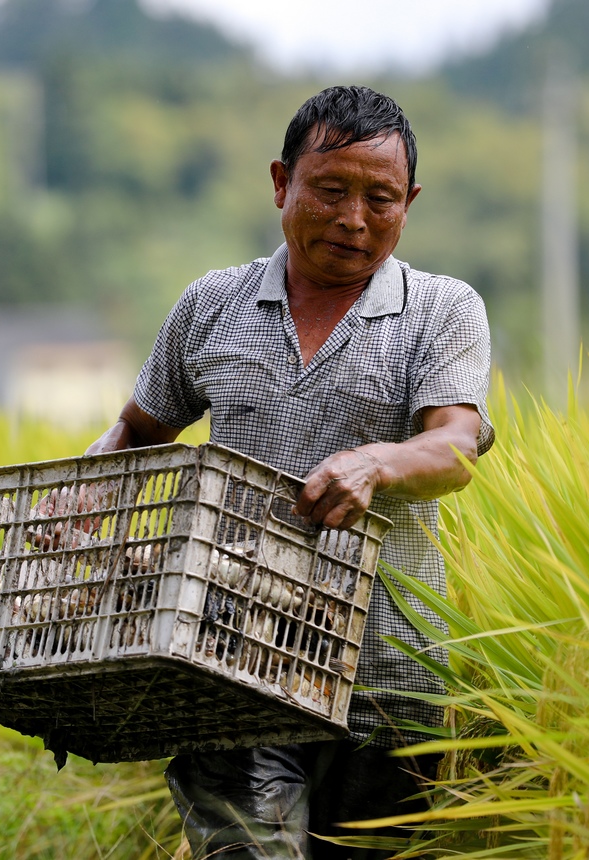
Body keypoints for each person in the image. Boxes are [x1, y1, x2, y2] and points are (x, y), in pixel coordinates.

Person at [85, 85, 493, 860]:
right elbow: (139, 430)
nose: (353, 219)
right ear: (281, 183)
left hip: (387, 665)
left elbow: (453, 447)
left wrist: (377, 462)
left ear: (409, 203)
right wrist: (87, 500)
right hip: (232, 656)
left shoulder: (442, 310)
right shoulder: (213, 305)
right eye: (330, 190)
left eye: (379, 198)